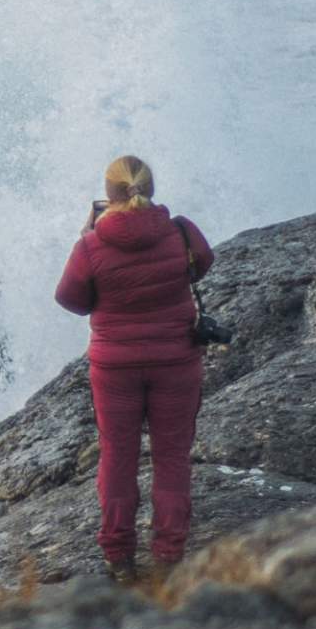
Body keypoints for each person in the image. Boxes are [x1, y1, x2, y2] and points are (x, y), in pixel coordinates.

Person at [53, 155, 214, 586]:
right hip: (176, 360)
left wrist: (86, 238)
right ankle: (168, 554)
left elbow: (70, 299)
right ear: (150, 188)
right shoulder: (181, 230)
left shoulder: (91, 245)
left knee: (118, 456)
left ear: (109, 195)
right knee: (171, 457)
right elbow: (202, 262)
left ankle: (119, 557)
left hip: (115, 368)